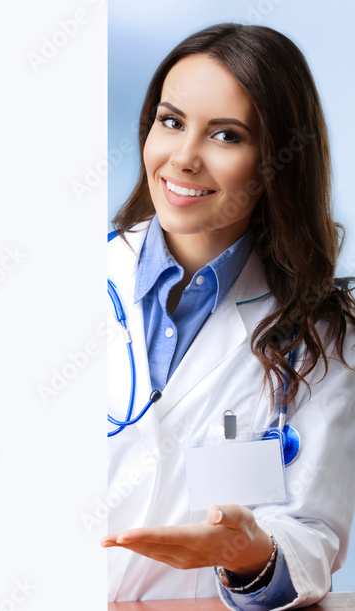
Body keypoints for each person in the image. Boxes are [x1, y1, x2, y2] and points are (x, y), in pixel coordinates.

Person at [102, 23, 355, 609]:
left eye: (226, 135)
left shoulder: (321, 334)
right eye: (171, 122)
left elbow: (312, 539)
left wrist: (250, 554)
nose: (184, 158)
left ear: (277, 161)